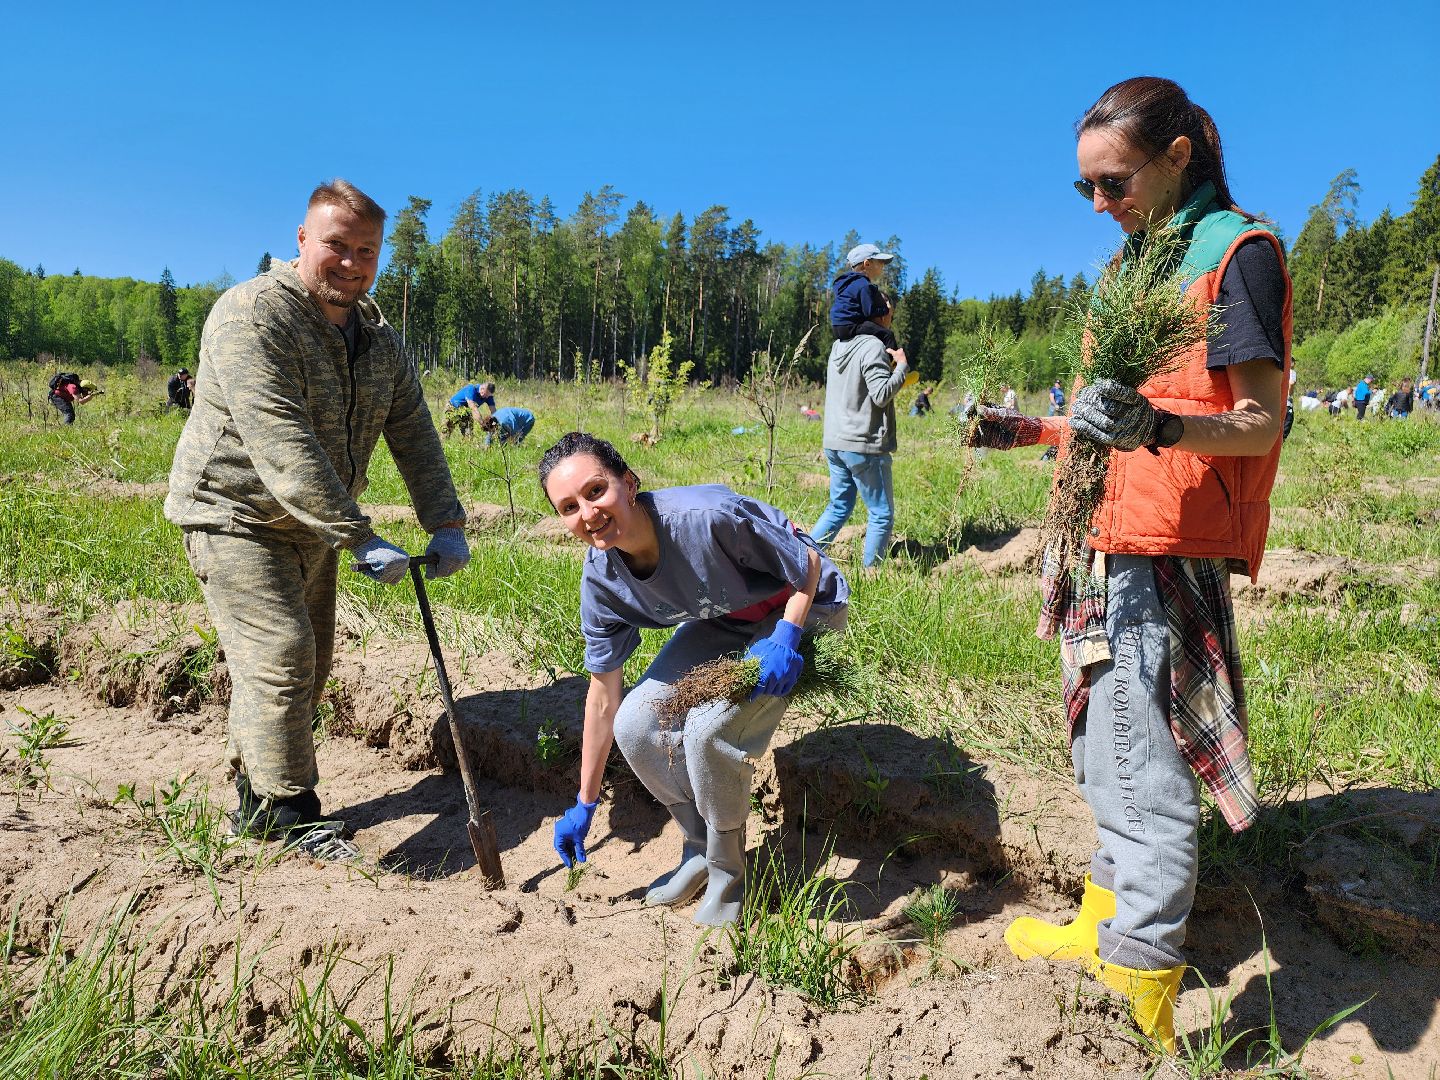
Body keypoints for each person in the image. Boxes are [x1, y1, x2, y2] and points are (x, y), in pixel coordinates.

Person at [972, 77, 1290, 1053]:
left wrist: (1158, 425)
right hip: (1100, 539)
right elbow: (1107, 415)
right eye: (1087, 192)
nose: (1102, 207)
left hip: (1159, 549)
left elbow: (1259, 422)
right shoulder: (1129, 269)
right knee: (1099, 751)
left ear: (1179, 154)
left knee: (1141, 770)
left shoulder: (1236, 253)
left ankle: (1139, 984)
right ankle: (1100, 926)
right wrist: (1032, 430)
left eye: (1115, 183)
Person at [165, 179, 470, 860]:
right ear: (303, 240)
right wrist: (360, 537)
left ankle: (253, 793)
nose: (351, 262)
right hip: (233, 513)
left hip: (312, 527)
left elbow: (414, 432)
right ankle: (289, 816)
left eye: (366, 250)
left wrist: (445, 522)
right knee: (281, 655)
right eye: (337, 244)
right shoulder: (252, 317)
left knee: (306, 661)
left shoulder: (377, 340)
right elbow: (281, 444)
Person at [540, 432, 849, 925]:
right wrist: (586, 800)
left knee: (707, 732)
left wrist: (788, 635)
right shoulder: (602, 580)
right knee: (635, 724)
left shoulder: (704, 520)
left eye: (595, 491)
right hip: (724, 619)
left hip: (802, 607)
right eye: (568, 506)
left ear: (629, 482)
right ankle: (699, 848)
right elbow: (603, 696)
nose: (587, 512)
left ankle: (730, 874)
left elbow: (807, 562)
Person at [809, 300, 910, 569]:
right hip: (863, 444)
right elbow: (881, 395)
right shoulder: (873, 346)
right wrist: (901, 367)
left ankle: (799, 561)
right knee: (881, 514)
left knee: (838, 507)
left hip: (835, 441)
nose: (891, 316)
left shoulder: (839, 346)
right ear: (881, 314)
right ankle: (872, 574)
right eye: (890, 311)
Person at [830, 243, 899, 351]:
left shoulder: (848, 284)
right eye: (880, 262)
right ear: (867, 264)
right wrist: (885, 309)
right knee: (887, 335)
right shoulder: (864, 285)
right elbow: (869, 312)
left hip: (837, 327)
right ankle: (894, 364)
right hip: (852, 325)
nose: (883, 266)